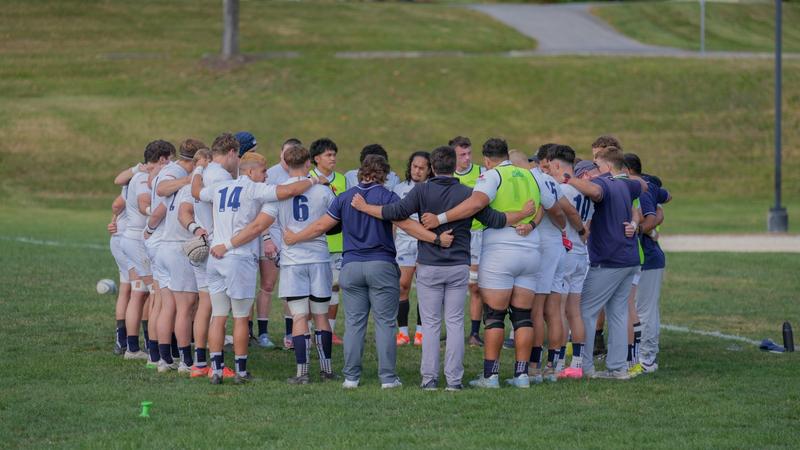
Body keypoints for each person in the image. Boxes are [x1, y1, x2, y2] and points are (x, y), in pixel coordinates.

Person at [351, 145, 535, 391]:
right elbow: (496, 219)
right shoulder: (467, 192)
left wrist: (365, 208)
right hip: (459, 264)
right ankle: (454, 381)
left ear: (433, 168)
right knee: (456, 322)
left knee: (430, 324)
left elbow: (394, 213)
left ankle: (429, 379)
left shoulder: (422, 190)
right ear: (453, 167)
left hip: (429, 264)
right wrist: (523, 214)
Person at [283, 155, 452, 389]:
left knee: (353, 324)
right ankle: (388, 378)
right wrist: (436, 239)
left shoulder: (344, 197)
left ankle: (351, 378)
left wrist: (295, 237)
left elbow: (321, 226)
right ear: (383, 175)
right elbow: (407, 225)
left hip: (351, 266)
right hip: (381, 265)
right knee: (385, 323)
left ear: (362, 172)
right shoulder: (388, 196)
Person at [420, 138, 543, 389]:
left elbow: (475, 204)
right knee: (522, 316)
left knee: (495, 315)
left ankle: (491, 376)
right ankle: (521, 376)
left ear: (486, 159)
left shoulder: (491, 176)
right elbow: (544, 207)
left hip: (501, 249)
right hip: (531, 249)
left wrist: (440, 218)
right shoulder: (531, 174)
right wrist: (529, 223)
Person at [199, 151, 321, 385]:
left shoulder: (221, 187)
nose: (267, 175)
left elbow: (197, 192)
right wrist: (314, 179)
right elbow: (288, 191)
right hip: (237, 257)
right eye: (264, 171)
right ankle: (241, 371)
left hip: (215, 258)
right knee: (242, 318)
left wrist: (197, 169)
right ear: (250, 171)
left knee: (219, 315)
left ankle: (215, 370)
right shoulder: (253, 189)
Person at [223, 144, 338, 384]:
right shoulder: (323, 191)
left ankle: (302, 373)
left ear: (286, 165)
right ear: (308, 164)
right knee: (320, 315)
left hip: (293, 260)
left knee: (298, 316)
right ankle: (327, 370)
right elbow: (334, 223)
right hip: (319, 258)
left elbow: (261, 223)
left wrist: (230, 242)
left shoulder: (279, 192)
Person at [565, 146, 644, 379]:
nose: (594, 170)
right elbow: (644, 185)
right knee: (618, 313)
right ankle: (619, 368)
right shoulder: (627, 184)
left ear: (607, 167)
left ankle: (586, 367)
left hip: (609, 261)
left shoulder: (607, 183)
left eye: (597, 165)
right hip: (629, 259)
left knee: (585, 311)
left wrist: (568, 179)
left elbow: (596, 192)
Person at [188, 134, 239, 378]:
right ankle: (215, 365)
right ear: (230, 152)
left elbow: (194, 195)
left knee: (204, 305)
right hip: (216, 247)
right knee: (217, 310)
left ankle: (199, 363)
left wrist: (197, 168)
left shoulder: (203, 172)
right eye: (237, 155)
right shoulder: (222, 177)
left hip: (200, 242)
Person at [150, 139, 202, 373]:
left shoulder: (175, 180)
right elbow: (160, 190)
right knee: (185, 307)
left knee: (166, 306)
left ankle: (163, 360)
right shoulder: (186, 181)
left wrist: (149, 229)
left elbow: (159, 202)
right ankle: (186, 362)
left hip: (163, 246)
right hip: (179, 248)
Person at [119, 141, 171, 361]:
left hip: (131, 239)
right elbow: (142, 203)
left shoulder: (140, 174)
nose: (170, 164)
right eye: (169, 159)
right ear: (161, 159)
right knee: (156, 294)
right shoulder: (143, 178)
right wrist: (156, 213)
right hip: (140, 241)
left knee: (139, 292)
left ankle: (132, 348)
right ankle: (154, 351)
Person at [548, 154, 595, 379]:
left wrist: (579, 231)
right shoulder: (586, 192)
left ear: (557, 165)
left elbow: (568, 215)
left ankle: (556, 363)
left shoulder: (562, 189)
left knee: (558, 311)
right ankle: (576, 364)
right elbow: (589, 222)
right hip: (580, 255)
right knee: (574, 311)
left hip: (565, 253)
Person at [625, 153, 671, 374]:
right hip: (642, 256)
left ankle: (647, 359)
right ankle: (637, 355)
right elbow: (667, 196)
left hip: (648, 257)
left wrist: (643, 228)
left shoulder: (638, 187)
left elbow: (651, 215)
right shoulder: (648, 184)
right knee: (639, 308)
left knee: (645, 310)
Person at [264, 138, 303, 350]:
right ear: (281, 154)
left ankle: (291, 334)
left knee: (292, 288)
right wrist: (267, 238)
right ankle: (261, 332)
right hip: (272, 235)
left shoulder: (306, 178)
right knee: (268, 285)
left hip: (294, 239)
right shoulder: (270, 174)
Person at [309, 138, 347, 345]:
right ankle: (307, 332)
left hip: (338, 243)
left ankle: (329, 332)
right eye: (328, 155)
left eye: (334, 154)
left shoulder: (341, 179)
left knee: (334, 287)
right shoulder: (308, 178)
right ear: (316, 159)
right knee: (310, 290)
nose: (333, 158)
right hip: (315, 243)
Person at [393, 151, 433, 347]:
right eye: (414, 167)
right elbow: (393, 219)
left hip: (425, 242)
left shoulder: (432, 189)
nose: (417, 171)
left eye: (422, 168)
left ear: (429, 170)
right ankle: (402, 333)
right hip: (403, 243)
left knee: (425, 288)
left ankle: (421, 332)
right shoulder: (399, 189)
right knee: (402, 286)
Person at [450, 136, 486, 347]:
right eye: (461, 154)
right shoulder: (446, 175)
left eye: (469, 153)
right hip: (455, 237)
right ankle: (451, 330)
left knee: (475, 287)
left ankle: (474, 333)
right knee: (451, 285)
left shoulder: (481, 173)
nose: (467, 158)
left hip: (478, 235)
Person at [108, 186, 131, 356]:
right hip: (131, 240)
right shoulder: (145, 177)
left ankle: (121, 341)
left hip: (119, 238)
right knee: (142, 293)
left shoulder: (132, 176)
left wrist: (114, 220)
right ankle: (138, 344)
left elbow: (116, 207)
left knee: (126, 289)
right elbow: (117, 205)